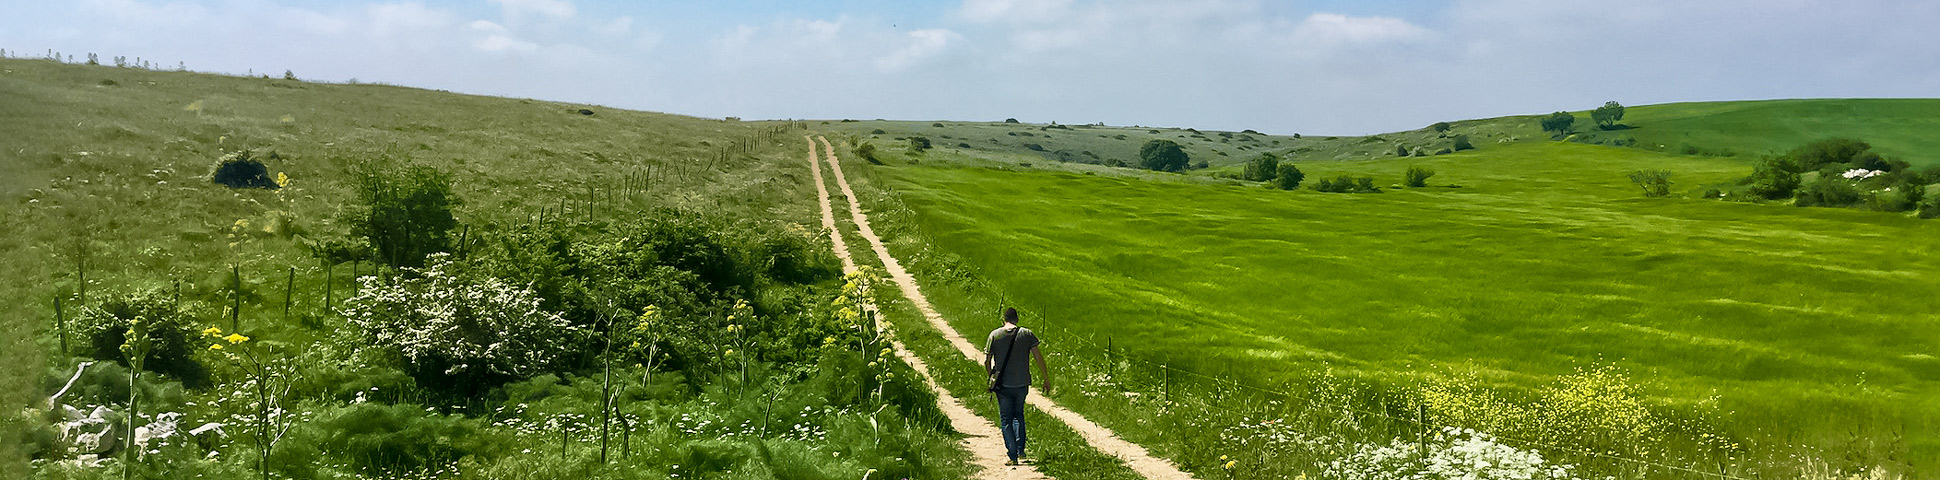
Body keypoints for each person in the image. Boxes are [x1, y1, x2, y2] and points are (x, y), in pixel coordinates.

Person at [985, 307, 1048, 466]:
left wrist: (991, 376)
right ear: (1017, 319)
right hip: (1022, 382)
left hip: (1003, 384)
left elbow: (987, 361)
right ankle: (1020, 450)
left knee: (1006, 418)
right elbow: (1038, 357)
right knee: (1018, 414)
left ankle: (1012, 455)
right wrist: (1046, 378)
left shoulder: (995, 335)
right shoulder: (1026, 334)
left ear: (1003, 319)